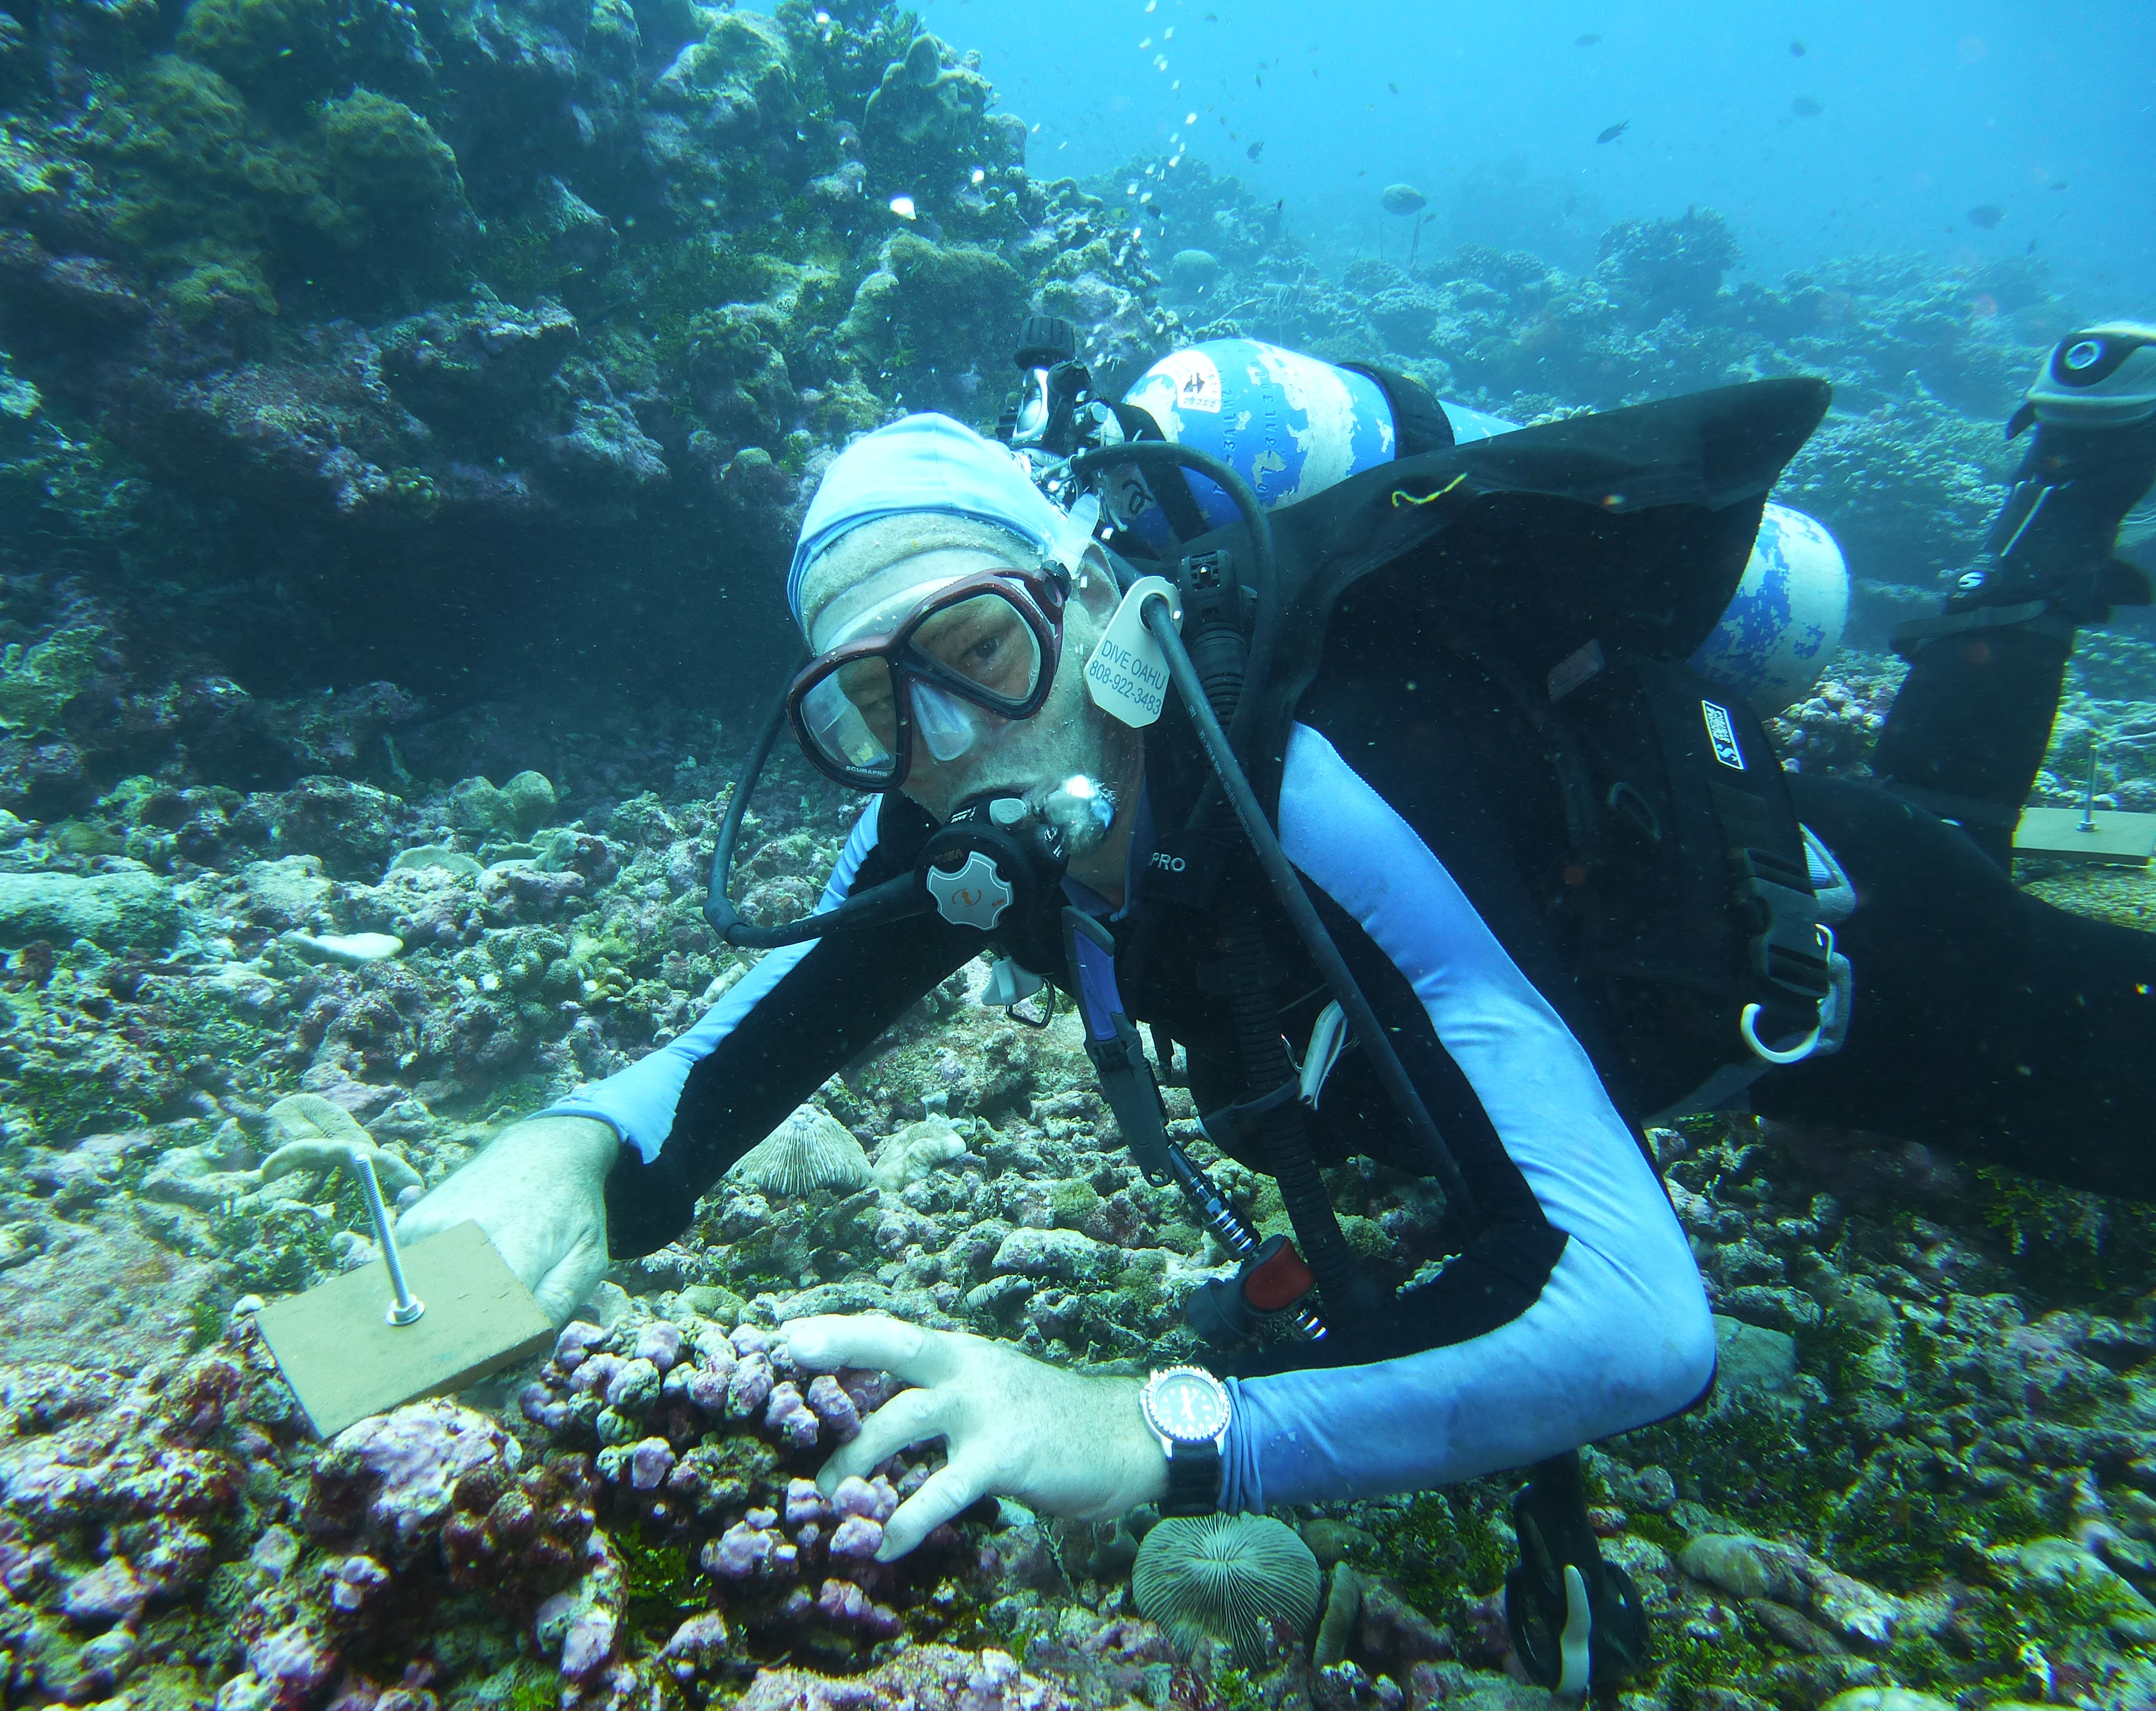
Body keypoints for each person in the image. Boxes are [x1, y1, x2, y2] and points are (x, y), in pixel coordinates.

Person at [397, 321, 2156, 1684]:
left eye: (980, 653)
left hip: (1846, 966)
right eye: (871, 709)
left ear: (1093, 606)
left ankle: (2052, 535)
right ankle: (2052, 542)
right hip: (1665, 974)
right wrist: (555, 1161)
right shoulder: (956, 799)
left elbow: (1641, 1327)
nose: (949, 747)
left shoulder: (1316, 779)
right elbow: (732, 1055)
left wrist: (1154, 1436)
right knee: (1949, 811)